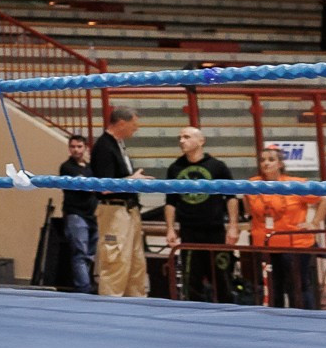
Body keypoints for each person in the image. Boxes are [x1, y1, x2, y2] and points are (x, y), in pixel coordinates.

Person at [246, 144, 326, 310]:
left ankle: (305, 323)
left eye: (271, 160)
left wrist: (313, 223)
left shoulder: (295, 184)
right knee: (272, 290)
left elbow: (323, 200)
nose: (266, 163)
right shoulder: (252, 185)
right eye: (262, 160)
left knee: (298, 288)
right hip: (266, 246)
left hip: (295, 245)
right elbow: (249, 210)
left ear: (280, 164)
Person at [163, 126, 239, 304]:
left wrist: (233, 226)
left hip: (215, 230)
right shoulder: (175, 168)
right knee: (191, 280)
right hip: (189, 231)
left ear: (201, 141)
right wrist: (170, 229)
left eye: (187, 137)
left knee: (222, 276)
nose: (181, 141)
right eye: (180, 137)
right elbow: (170, 201)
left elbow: (231, 197)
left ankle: (228, 314)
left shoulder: (217, 167)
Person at [90, 106, 151, 298]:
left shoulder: (118, 144)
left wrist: (133, 179)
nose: (136, 128)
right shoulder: (103, 147)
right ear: (122, 123)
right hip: (113, 212)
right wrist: (132, 181)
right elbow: (104, 187)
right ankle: (111, 311)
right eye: (134, 125)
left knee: (136, 263)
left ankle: (136, 307)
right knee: (115, 263)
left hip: (128, 210)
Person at [55, 133, 97, 294]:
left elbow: (93, 187)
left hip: (92, 214)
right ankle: (84, 288)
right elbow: (87, 187)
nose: (76, 150)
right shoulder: (67, 167)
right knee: (80, 252)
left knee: (90, 253)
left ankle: (86, 284)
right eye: (72, 147)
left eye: (79, 146)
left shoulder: (89, 168)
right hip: (75, 214)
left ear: (85, 148)